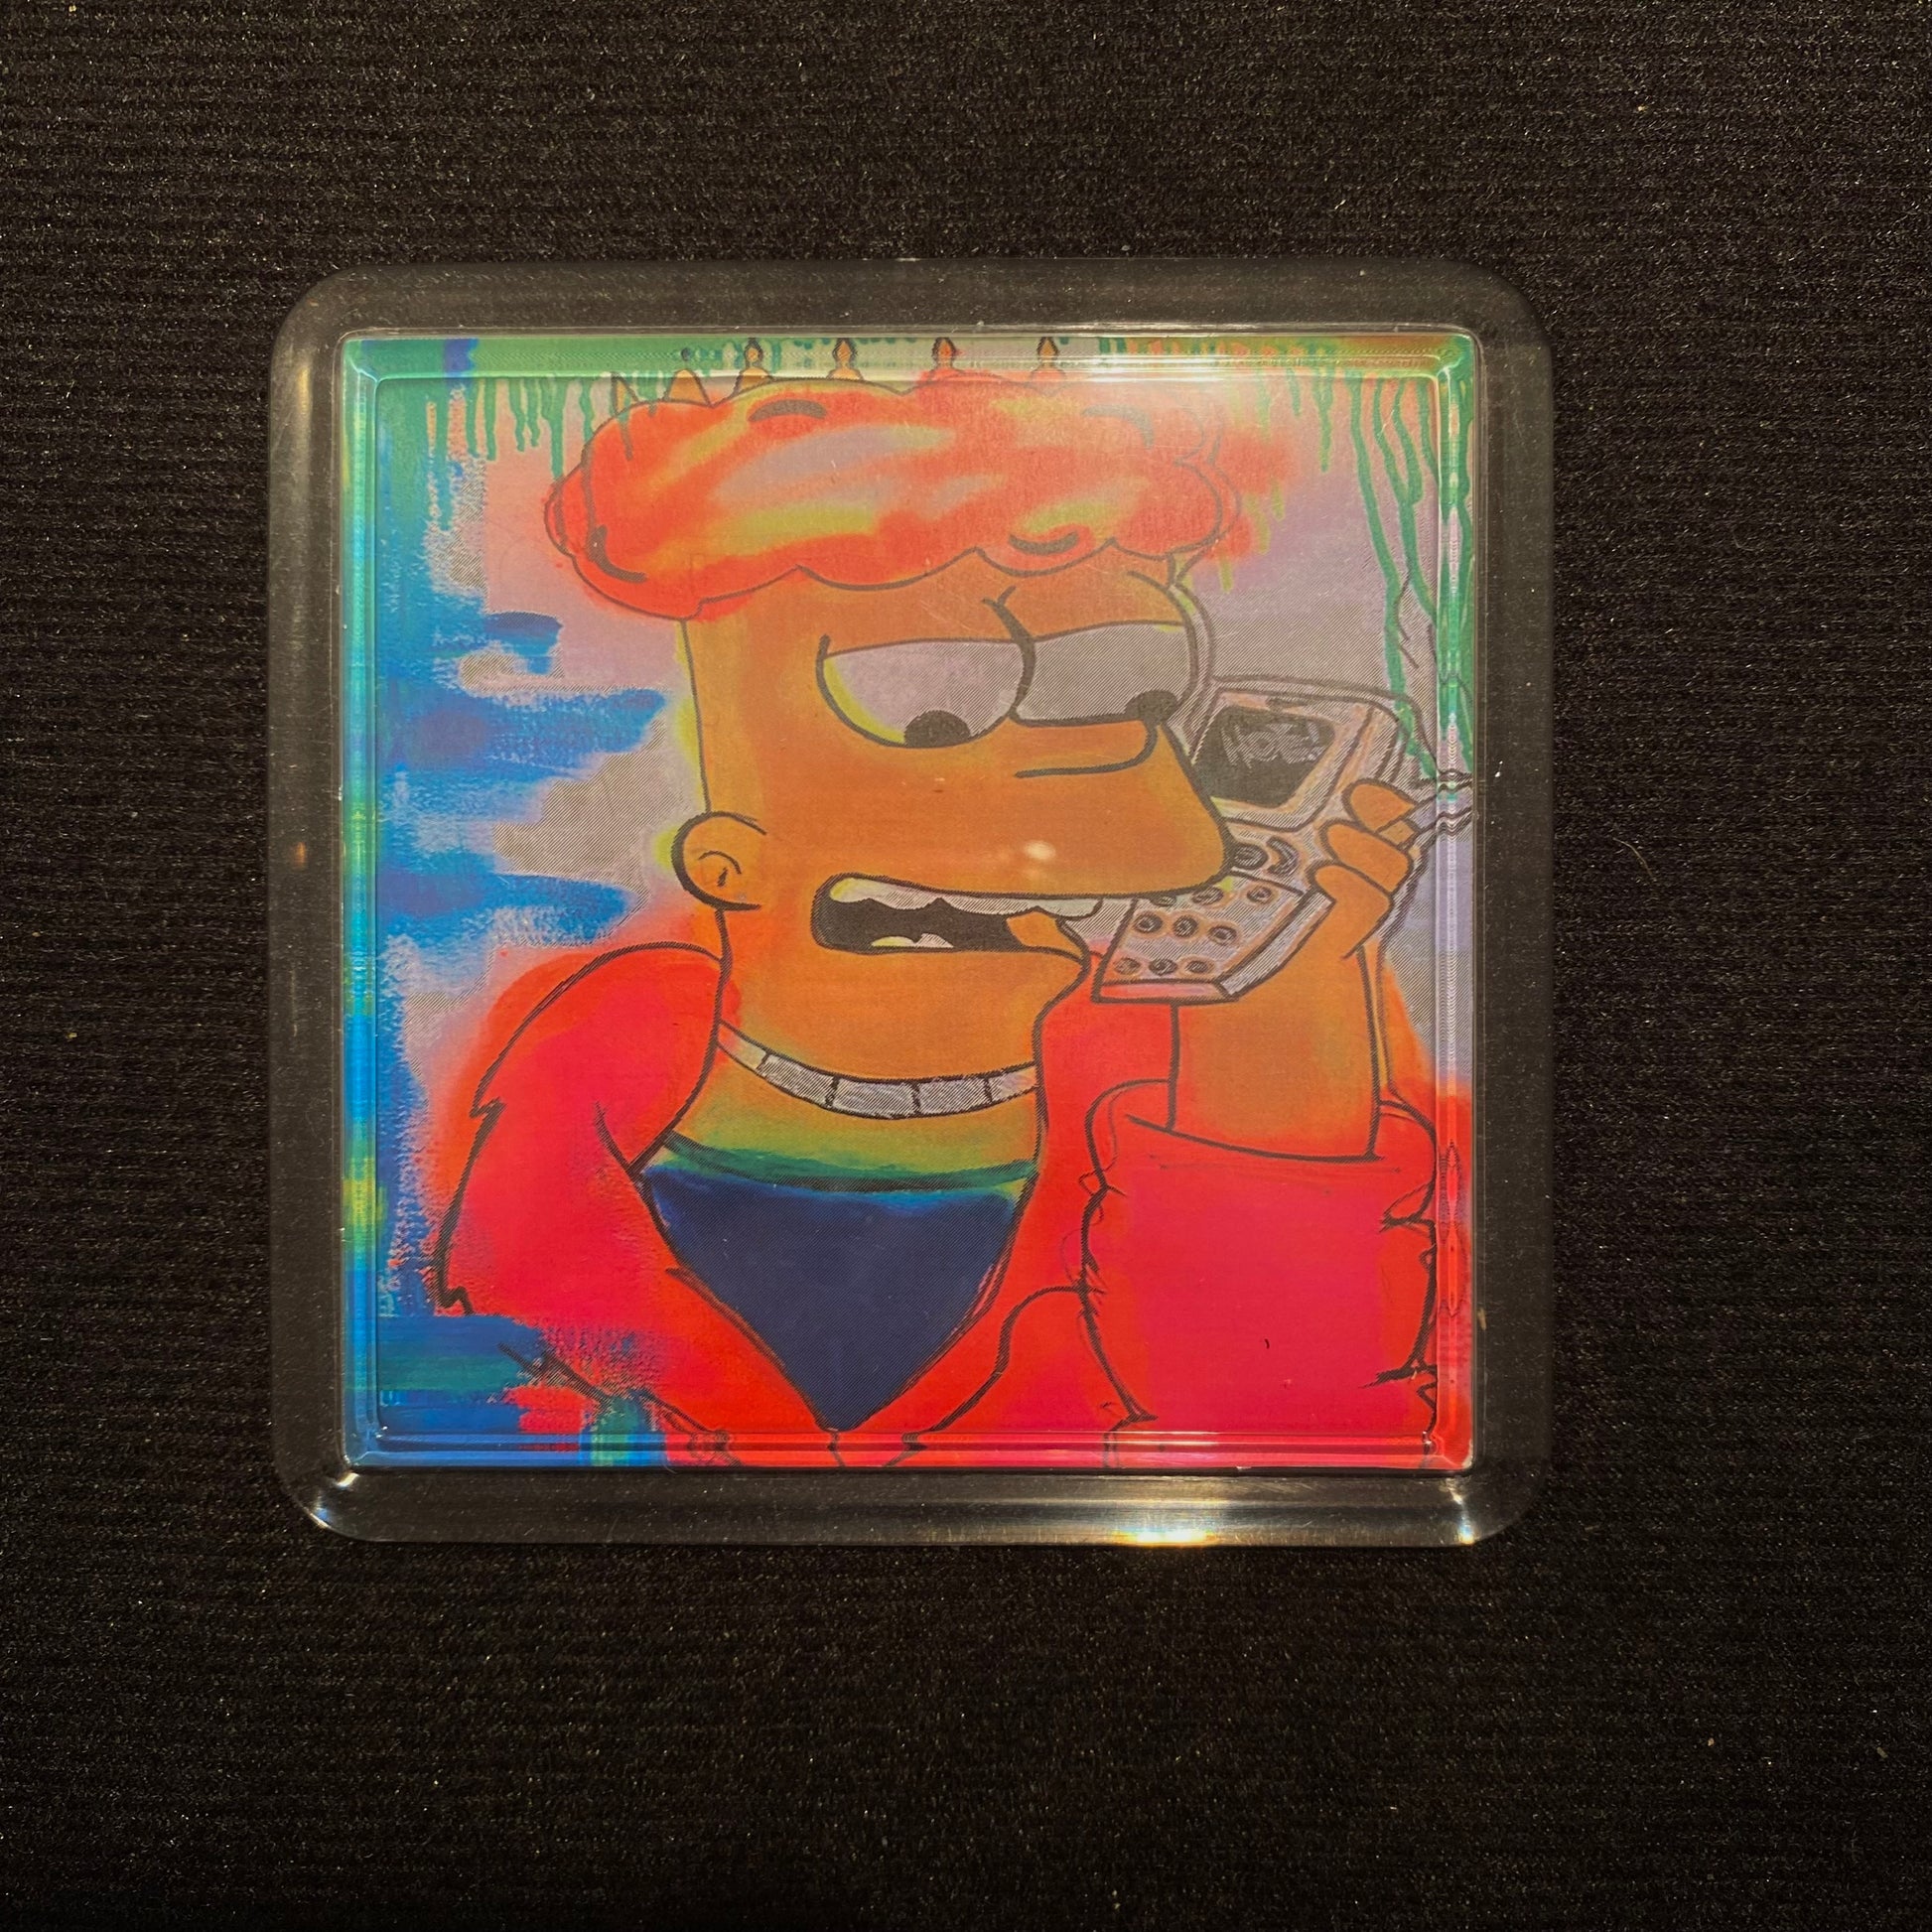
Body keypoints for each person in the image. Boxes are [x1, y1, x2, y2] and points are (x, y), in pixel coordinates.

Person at [433, 341, 1454, 1469]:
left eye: (1137, 686)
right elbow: (482, 1380)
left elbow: (1292, 1433)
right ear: (726, 862)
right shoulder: (600, 1052)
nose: (1083, 784)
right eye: (933, 708)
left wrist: (1276, 1043)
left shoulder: (1175, 1047)